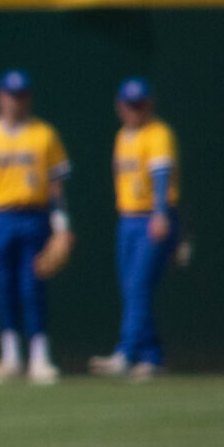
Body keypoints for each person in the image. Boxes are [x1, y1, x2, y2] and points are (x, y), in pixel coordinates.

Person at [0, 69, 72, 385]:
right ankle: (10, 355)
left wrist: (62, 224)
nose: (15, 103)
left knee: (33, 285)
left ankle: (39, 357)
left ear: (28, 99)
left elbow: (56, 186)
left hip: (34, 214)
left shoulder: (44, 134)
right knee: (5, 286)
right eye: (10, 96)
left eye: (21, 96)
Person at [90, 78, 181, 380]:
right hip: (128, 218)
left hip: (152, 217)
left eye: (140, 104)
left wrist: (161, 214)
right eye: (130, 105)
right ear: (120, 107)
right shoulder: (122, 136)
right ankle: (152, 357)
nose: (134, 110)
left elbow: (161, 175)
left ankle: (127, 353)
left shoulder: (158, 133)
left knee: (139, 286)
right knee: (132, 289)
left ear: (149, 105)